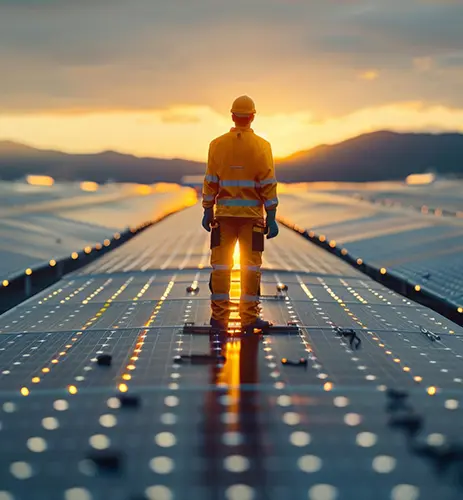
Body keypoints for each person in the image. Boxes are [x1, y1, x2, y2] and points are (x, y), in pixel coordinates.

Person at [201, 95, 279, 334]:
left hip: (223, 218)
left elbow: (210, 181)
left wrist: (207, 210)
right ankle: (248, 318)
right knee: (250, 268)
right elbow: (268, 183)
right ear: (252, 116)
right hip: (252, 218)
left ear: (232, 115)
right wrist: (272, 216)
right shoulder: (262, 146)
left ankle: (219, 318)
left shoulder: (217, 144)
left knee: (221, 268)